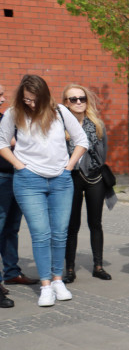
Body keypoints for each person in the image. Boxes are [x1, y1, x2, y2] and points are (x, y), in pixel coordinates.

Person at [0, 75, 88, 307]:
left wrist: (69, 167)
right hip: (28, 182)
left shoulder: (59, 111)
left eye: (35, 99)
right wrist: (20, 166)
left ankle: (58, 280)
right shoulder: (13, 113)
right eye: (27, 99)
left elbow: (82, 140)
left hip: (60, 181)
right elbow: (1, 143)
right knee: (41, 234)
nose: (31, 104)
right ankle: (46, 286)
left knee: (60, 233)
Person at [61, 84, 112, 284]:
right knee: (72, 225)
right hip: (71, 177)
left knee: (95, 223)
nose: (78, 102)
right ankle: (70, 269)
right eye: (73, 99)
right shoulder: (60, 126)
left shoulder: (97, 124)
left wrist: (92, 164)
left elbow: (103, 152)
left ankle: (98, 266)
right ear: (66, 103)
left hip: (94, 177)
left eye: (81, 98)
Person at [0, 81, 38, 308]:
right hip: (2, 177)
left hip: (16, 175)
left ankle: (12, 271)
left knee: (12, 227)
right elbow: (13, 143)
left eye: (3, 94)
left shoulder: (5, 117)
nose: (3, 99)